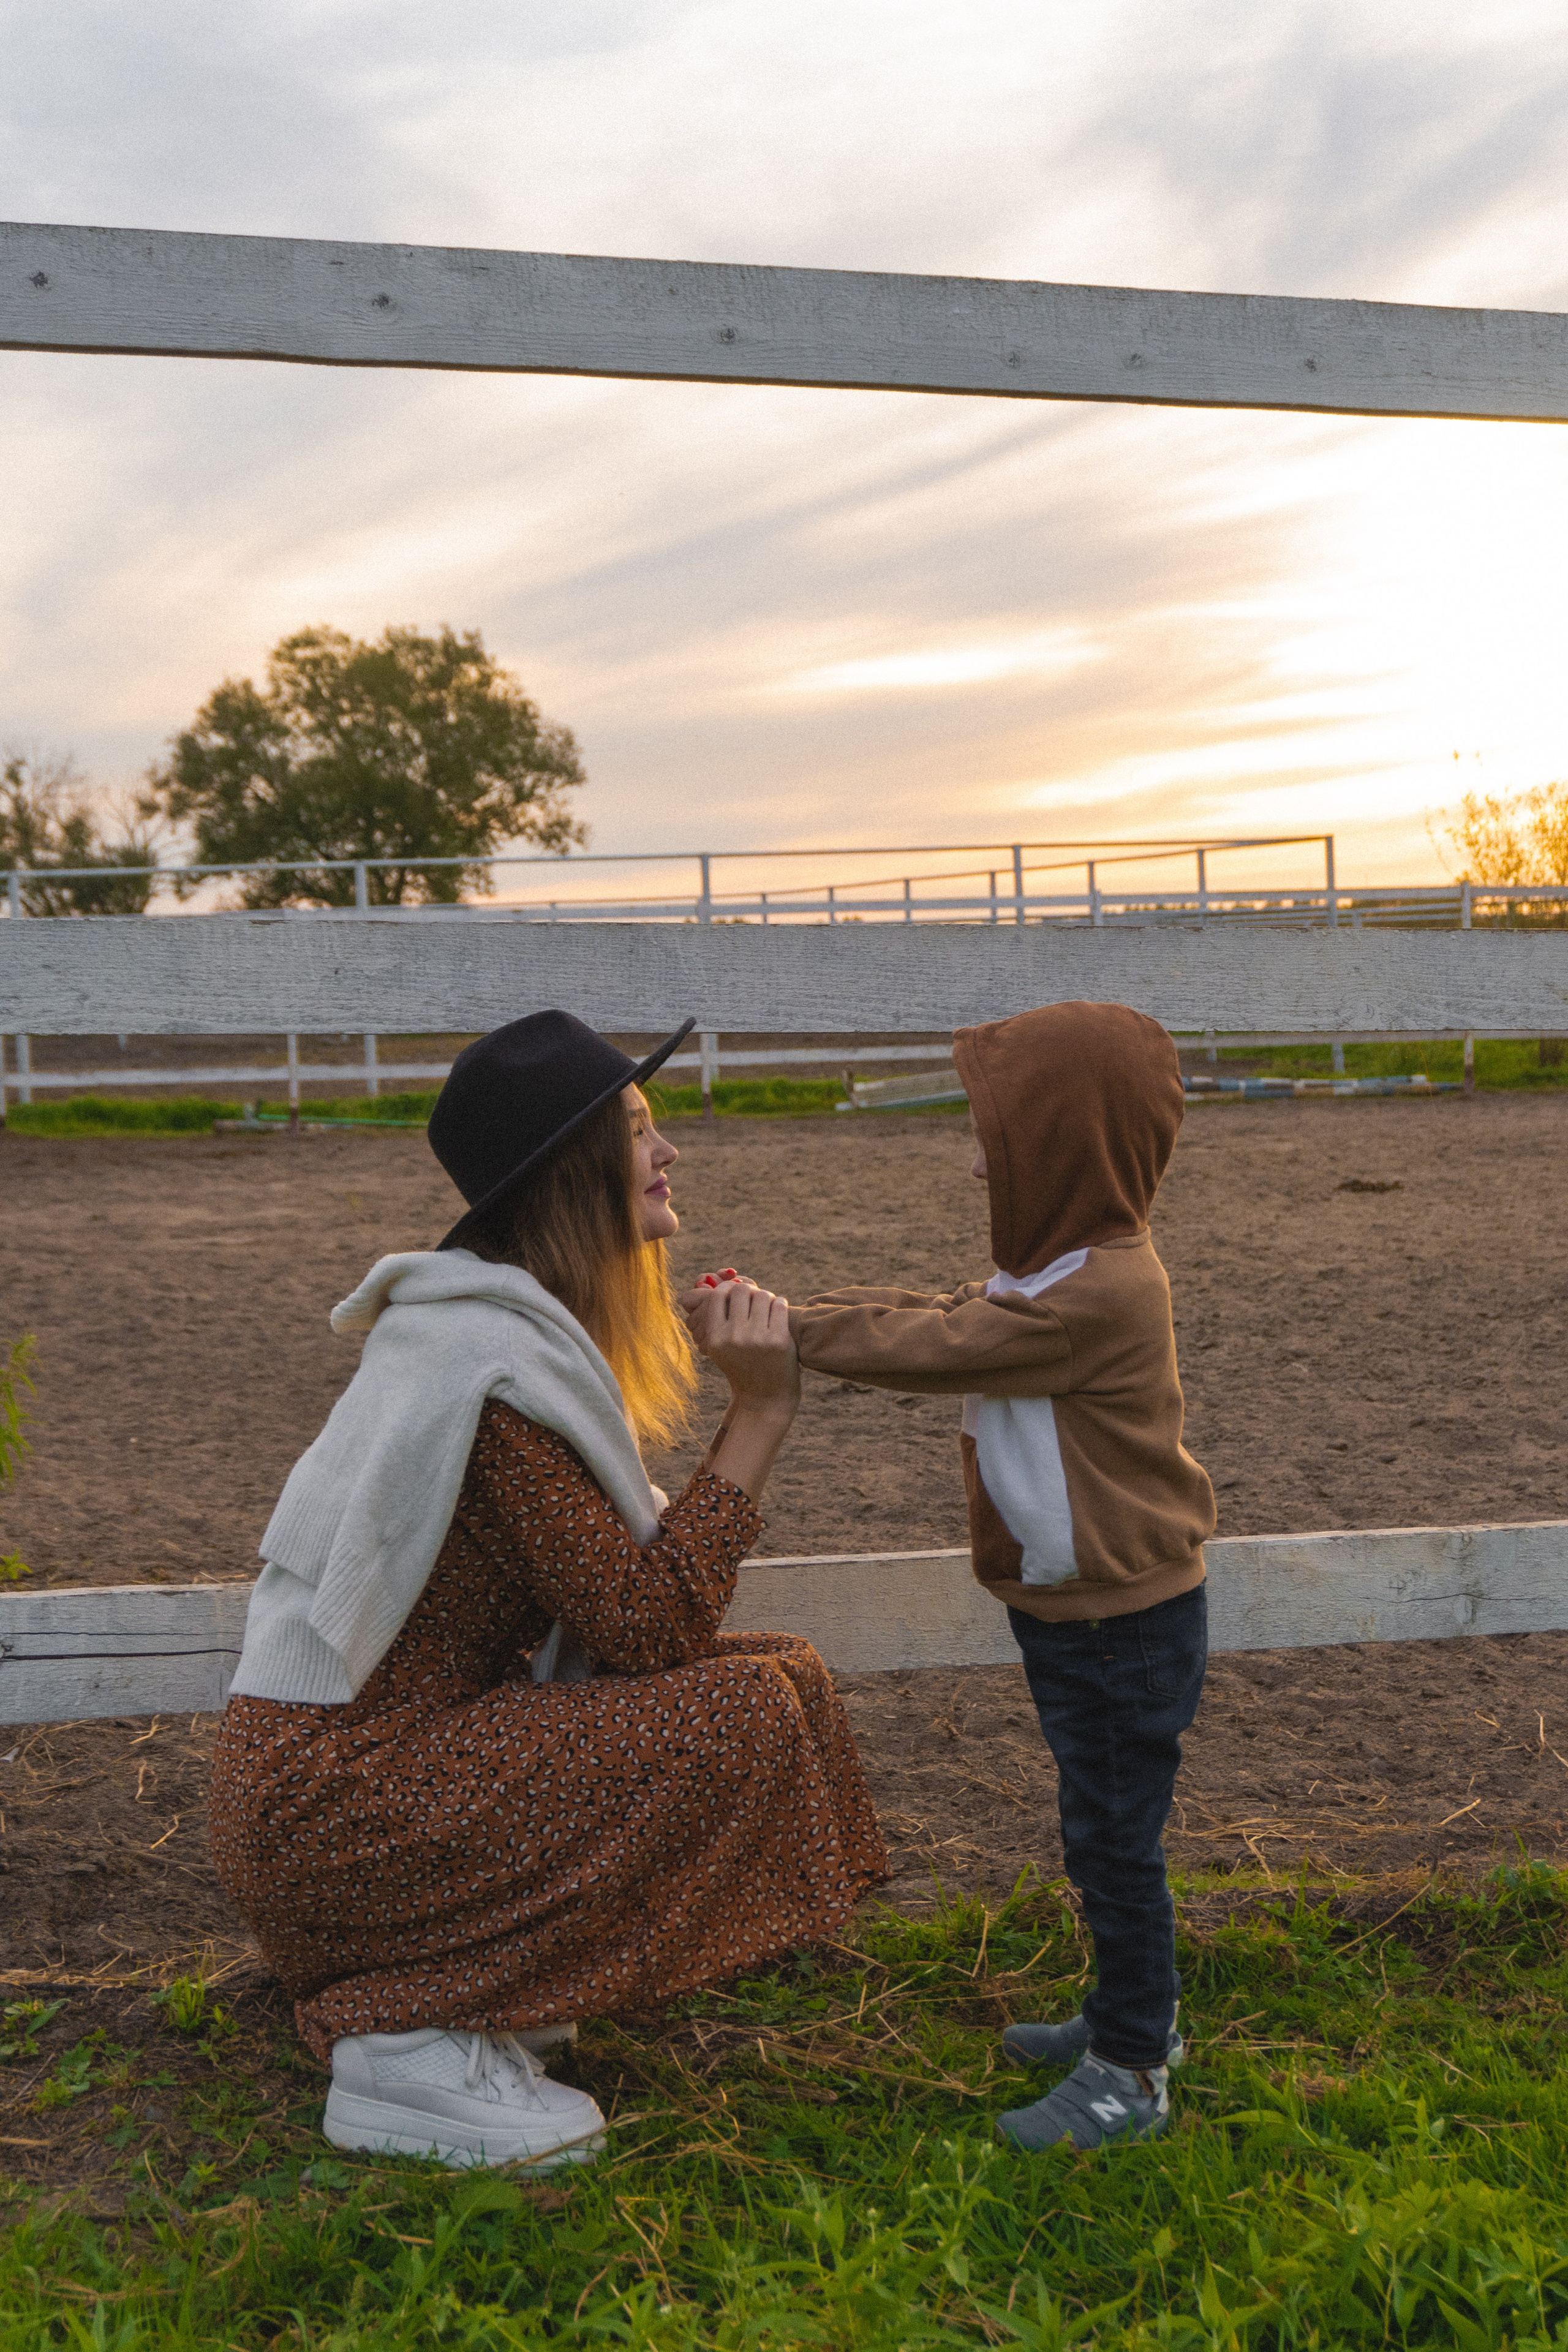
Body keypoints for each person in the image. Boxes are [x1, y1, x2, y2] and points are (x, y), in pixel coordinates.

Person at [210, 1010, 887, 2174]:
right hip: (339, 1806)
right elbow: (654, 1629)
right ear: (573, 1168)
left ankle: (461, 1994)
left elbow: (643, 1626)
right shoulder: (495, 1378)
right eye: (636, 1130)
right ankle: (403, 2030)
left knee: (787, 1679)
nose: (667, 1150)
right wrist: (762, 1412)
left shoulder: (479, 1341)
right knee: (745, 1712)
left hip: (347, 1784)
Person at [683, 1000, 1213, 2152]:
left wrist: (784, 1338)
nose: (976, 1157)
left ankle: (1132, 2071)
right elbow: (942, 1313)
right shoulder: (1058, 1268)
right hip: (1082, 1609)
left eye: (998, 1136)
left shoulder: (1100, 1293)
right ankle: (1135, 2017)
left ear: (1063, 1149)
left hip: (1119, 1624)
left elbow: (941, 1348)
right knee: (1105, 1833)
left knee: (1113, 1842)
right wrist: (789, 1313)